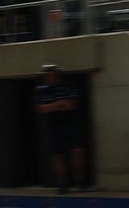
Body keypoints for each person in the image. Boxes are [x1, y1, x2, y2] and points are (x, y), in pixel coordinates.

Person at [33, 64, 88, 192]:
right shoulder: (41, 89)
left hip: (71, 123)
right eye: (48, 75)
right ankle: (63, 185)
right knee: (58, 156)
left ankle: (79, 183)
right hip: (54, 125)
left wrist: (49, 106)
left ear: (58, 76)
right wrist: (60, 104)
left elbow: (71, 105)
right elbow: (40, 109)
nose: (50, 77)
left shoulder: (67, 86)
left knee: (77, 152)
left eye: (53, 75)